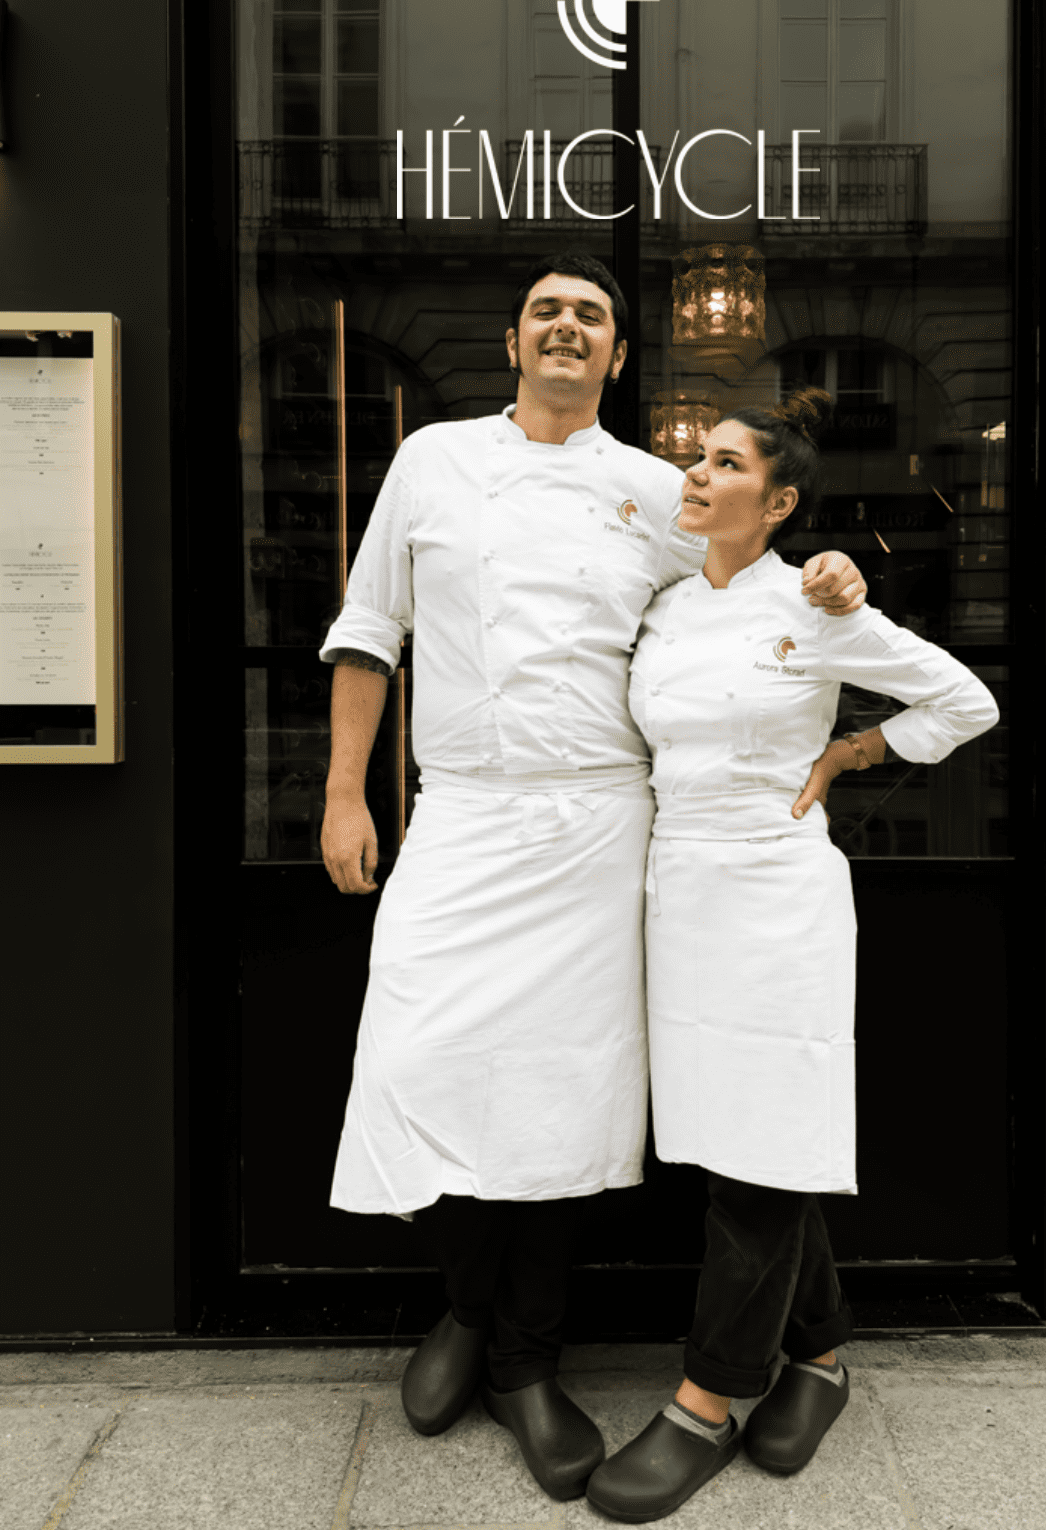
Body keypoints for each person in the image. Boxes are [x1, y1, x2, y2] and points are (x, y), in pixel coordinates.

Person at [317, 256, 869, 1503]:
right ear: (512, 341)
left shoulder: (651, 489)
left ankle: (524, 1358)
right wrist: (349, 790)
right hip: (458, 814)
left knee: (565, 1098)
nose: (567, 327)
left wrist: (840, 595)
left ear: (618, 356)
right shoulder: (433, 460)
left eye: (592, 316)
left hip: (600, 828)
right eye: (546, 311)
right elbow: (368, 626)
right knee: (423, 1062)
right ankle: (466, 1303)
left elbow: (746, 599)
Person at [585, 388, 1001, 1523]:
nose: (695, 474)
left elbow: (964, 701)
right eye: (693, 458)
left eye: (722, 463)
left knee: (763, 1140)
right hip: (681, 896)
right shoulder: (664, 607)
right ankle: (817, 1356)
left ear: (774, 503)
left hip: (776, 900)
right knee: (735, 1142)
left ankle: (707, 1397)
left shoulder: (814, 601)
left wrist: (860, 744)